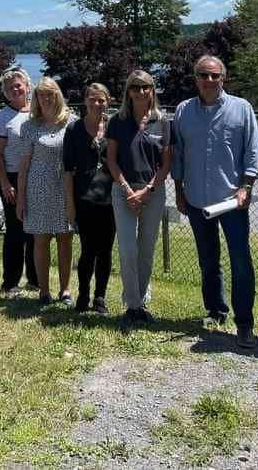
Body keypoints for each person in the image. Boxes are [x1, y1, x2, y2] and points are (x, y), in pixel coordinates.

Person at [171, 56, 258, 348]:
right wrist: (179, 191)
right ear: (195, 78)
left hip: (231, 202)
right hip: (197, 201)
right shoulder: (184, 111)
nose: (209, 81)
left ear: (224, 77)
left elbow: (252, 152)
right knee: (208, 261)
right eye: (203, 75)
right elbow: (179, 156)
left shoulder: (241, 109)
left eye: (214, 75)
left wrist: (246, 187)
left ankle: (244, 323)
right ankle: (215, 311)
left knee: (240, 262)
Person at [106, 70, 172, 326]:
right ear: (128, 92)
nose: (141, 91)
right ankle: (132, 306)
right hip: (123, 192)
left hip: (152, 193)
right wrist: (128, 190)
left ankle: (140, 302)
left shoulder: (163, 122)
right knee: (127, 249)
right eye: (135, 87)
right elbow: (111, 160)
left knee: (146, 250)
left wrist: (148, 191)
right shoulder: (117, 121)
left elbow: (166, 164)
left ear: (152, 90)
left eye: (145, 87)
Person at [17, 77, 77, 306]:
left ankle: (65, 290)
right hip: (37, 189)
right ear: (36, 98)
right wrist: (20, 197)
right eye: (42, 94)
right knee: (40, 240)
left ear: (58, 95)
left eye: (50, 93)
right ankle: (44, 291)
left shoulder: (71, 122)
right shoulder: (30, 125)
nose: (46, 98)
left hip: (65, 188)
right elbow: (23, 166)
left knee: (65, 239)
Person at [64, 83, 116, 315]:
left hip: (110, 201)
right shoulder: (74, 130)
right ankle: (83, 294)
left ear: (109, 102)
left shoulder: (114, 129)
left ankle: (100, 297)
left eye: (102, 100)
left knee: (105, 251)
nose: (97, 104)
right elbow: (68, 172)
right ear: (85, 101)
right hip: (84, 201)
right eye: (93, 100)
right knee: (87, 251)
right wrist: (70, 206)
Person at [0, 67, 41, 294]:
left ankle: (35, 279)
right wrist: (5, 184)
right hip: (11, 177)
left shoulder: (39, 113)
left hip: (38, 176)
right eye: (10, 88)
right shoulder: (2, 118)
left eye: (18, 85)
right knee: (15, 231)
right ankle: (10, 282)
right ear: (5, 93)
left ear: (28, 86)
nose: (15, 89)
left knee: (35, 231)